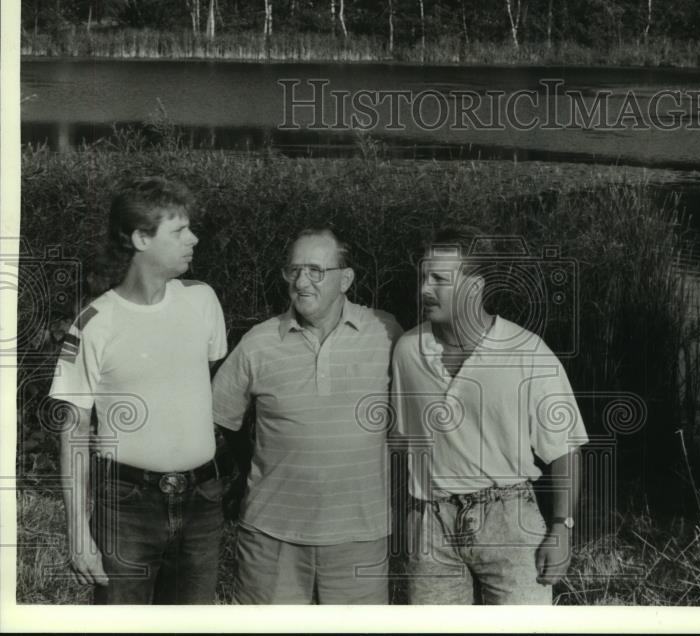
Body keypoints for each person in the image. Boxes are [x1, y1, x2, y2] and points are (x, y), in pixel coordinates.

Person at [50, 176, 228, 604]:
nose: (194, 238)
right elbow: (74, 430)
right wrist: (79, 535)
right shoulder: (95, 323)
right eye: (179, 230)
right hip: (126, 507)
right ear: (140, 238)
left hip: (203, 502)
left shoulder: (203, 300)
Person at [390, 225, 588, 605]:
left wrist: (562, 528)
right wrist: (406, 523)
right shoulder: (407, 351)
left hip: (509, 519)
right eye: (422, 277)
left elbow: (565, 448)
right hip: (430, 523)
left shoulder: (527, 352)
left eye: (438, 279)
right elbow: (403, 444)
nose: (423, 290)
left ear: (474, 287)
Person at [212, 227, 402, 604]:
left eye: (316, 270)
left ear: (345, 279)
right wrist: (249, 467)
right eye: (293, 270)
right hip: (271, 538)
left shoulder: (386, 333)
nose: (301, 282)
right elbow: (220, 418)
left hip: (359, 539)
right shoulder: (259, 342)